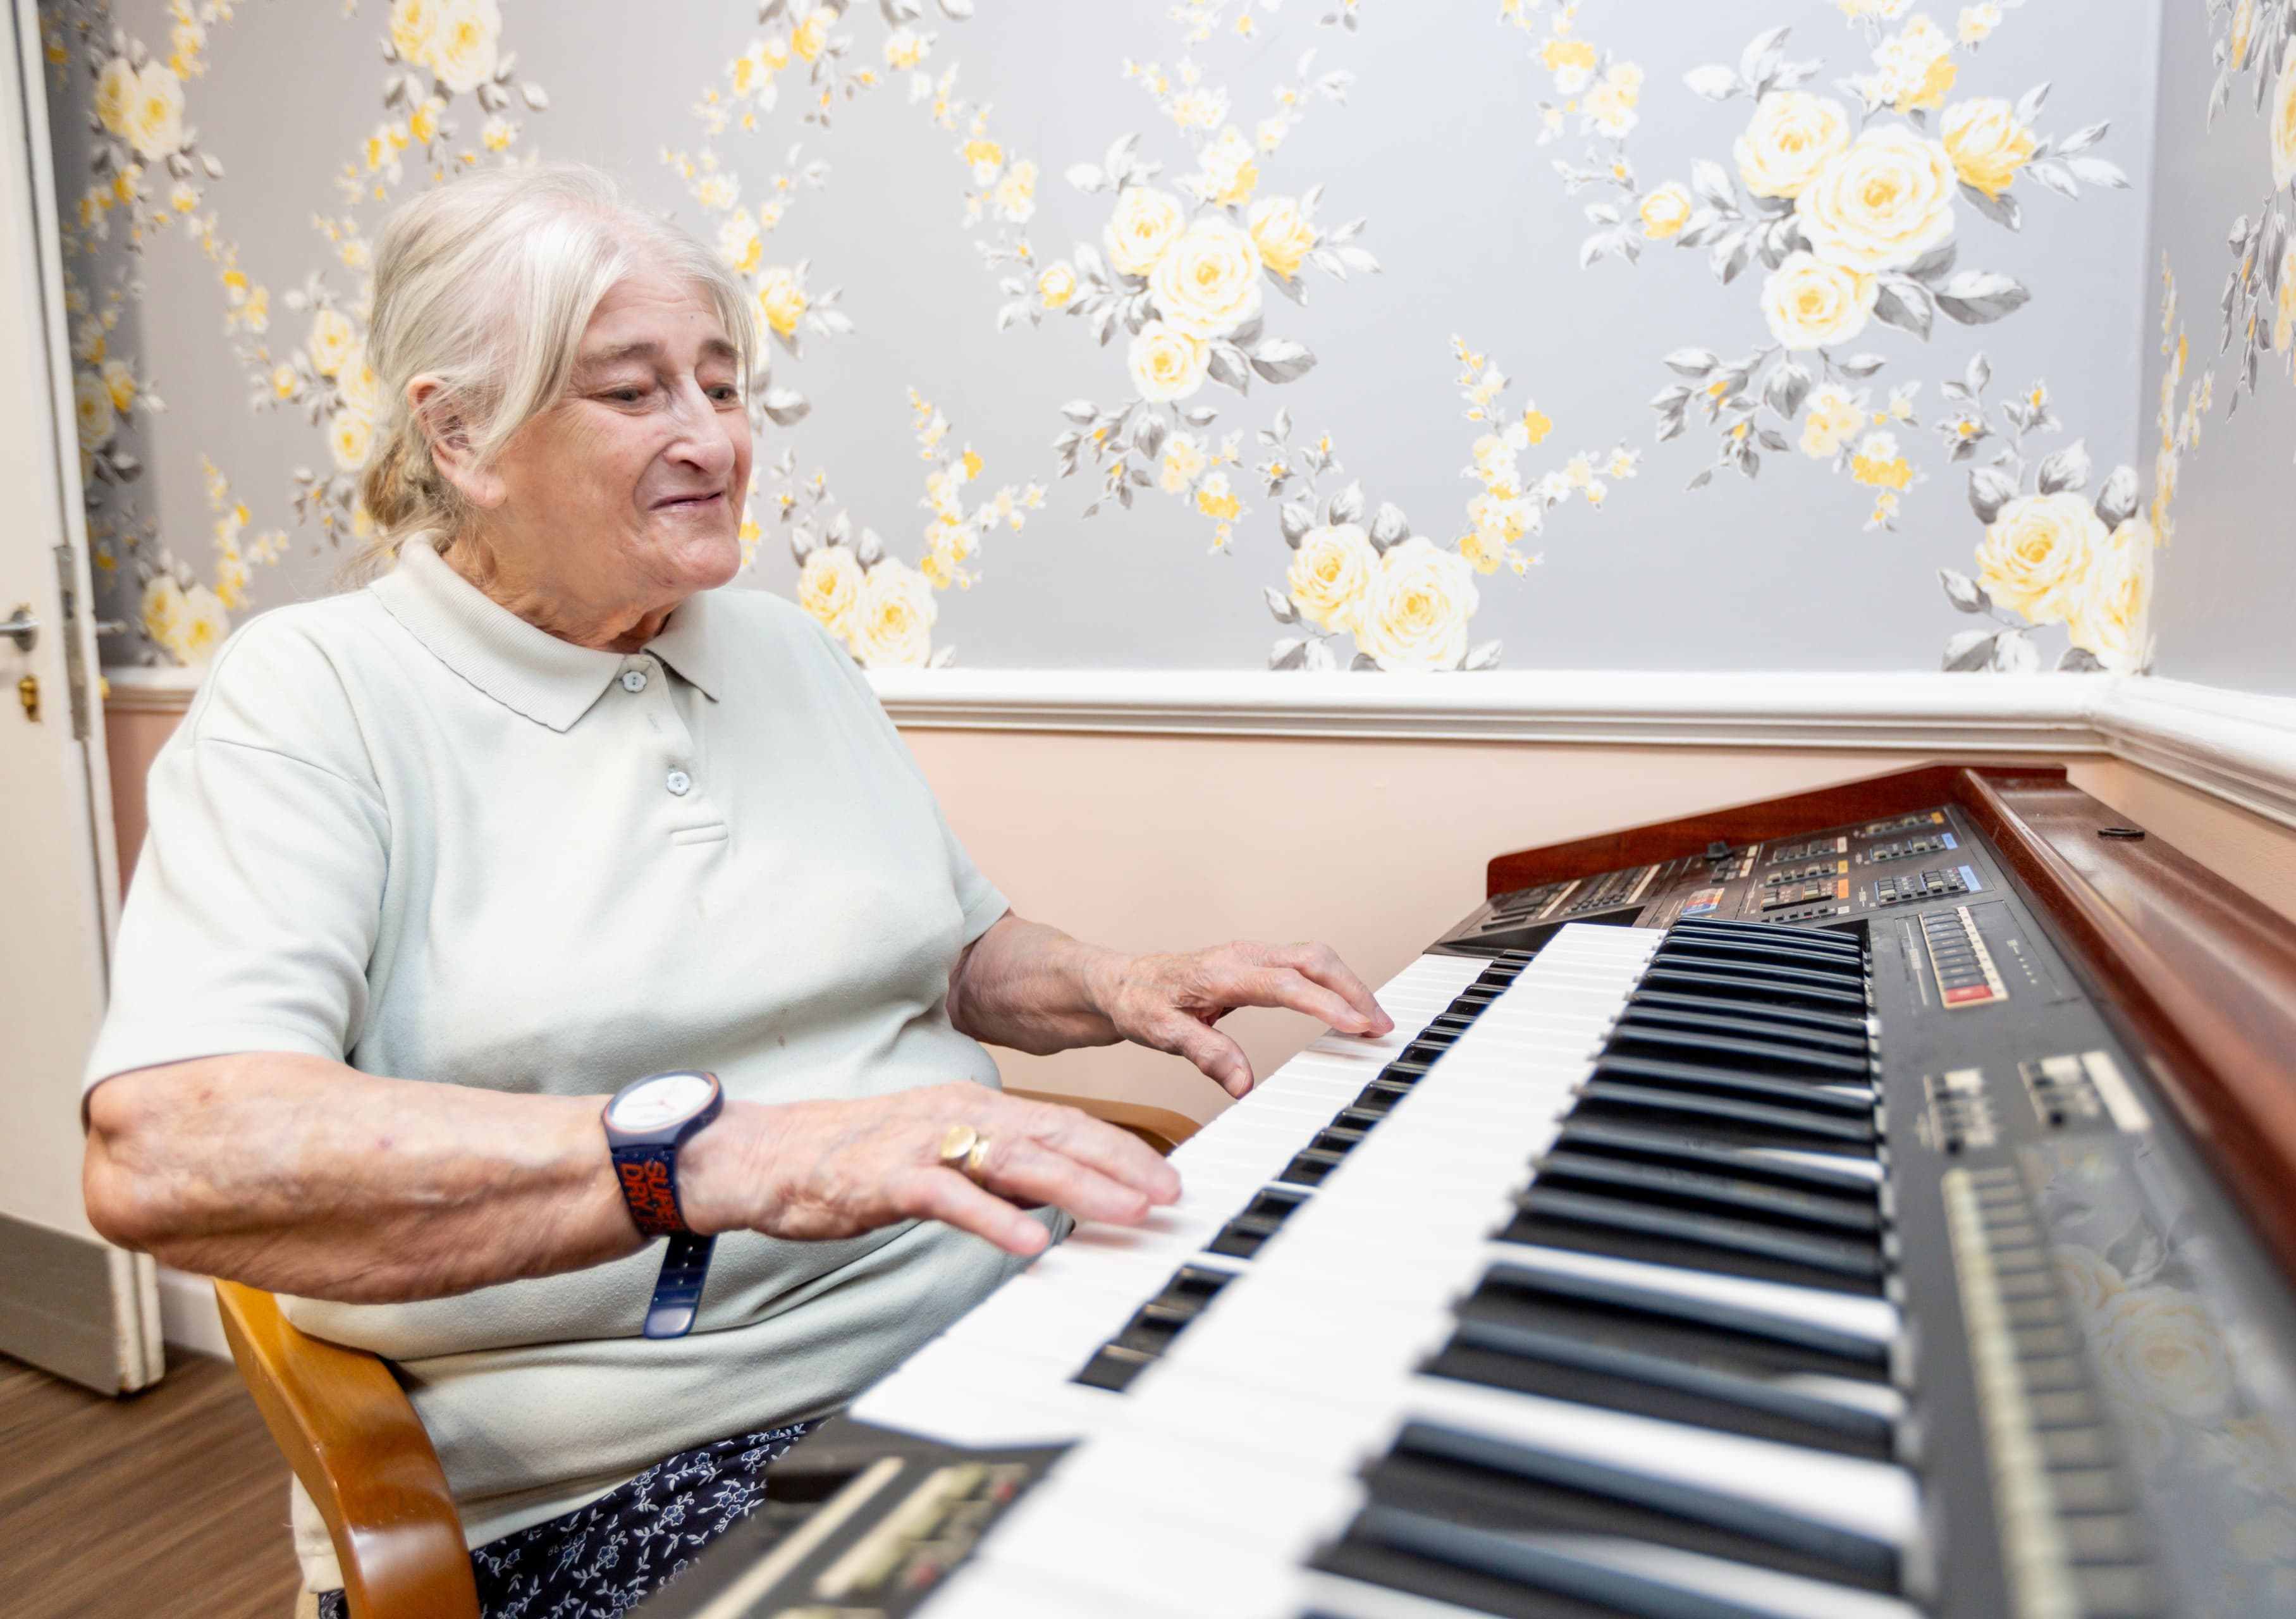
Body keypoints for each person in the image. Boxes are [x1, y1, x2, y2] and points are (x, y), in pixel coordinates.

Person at [78, 163, 1390, 1619]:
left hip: (1010, 1312)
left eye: (722, 382)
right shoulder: (315, 697)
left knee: (1382, 1445)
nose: (711, 437)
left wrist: (1117, 980)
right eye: (635, 393)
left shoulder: (782, 647)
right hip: (644, 1466)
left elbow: (945, 950)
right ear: (461, 436)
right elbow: (171, 1151)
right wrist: (709, 1156)